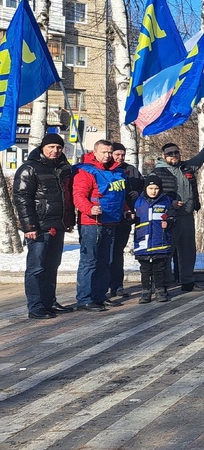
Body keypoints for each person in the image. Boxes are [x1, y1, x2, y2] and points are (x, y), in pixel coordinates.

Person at [14, 133, 76, 319]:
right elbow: (21, 198)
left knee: (52, 266)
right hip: (39, 226)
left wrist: (69, 220)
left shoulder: (64, 168)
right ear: (42, 148)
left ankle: (49, 302)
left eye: (58, 147)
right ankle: (36, 306)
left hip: (58, 224)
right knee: (36, 267)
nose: (55, 151)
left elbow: (67, 197)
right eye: (51, 147)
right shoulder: (29, 168)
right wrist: (29, 226)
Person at [152, 136, 204, 292]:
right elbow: (152, 196)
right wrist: (170, 204)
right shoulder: (157, 172)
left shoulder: (187, 167)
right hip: (169, 218)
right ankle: (164, 284)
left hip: (187, 216)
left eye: (176, 153)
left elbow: (202, 156)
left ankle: (187, 281)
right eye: (170, 153)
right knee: (167, 251)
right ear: (164, 156)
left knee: (188, 251)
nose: (174, 155)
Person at [72, 140, 126, 311]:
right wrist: (90, 208)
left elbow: (118, 194)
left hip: (111, 221)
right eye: (103, 152)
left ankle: (100, 295)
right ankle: (84, 298)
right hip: (92, 223)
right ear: (94, 152)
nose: (107, 155)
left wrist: (126, 209)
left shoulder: (117, 171)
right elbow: (79, 196)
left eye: (110, 152)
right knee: (90, 261)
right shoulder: (86, 171)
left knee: (105, 261)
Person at [107, 142, 142, 300]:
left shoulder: (131, 170)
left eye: (122, 155)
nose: (120, 158)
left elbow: (143, 184)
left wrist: (138, 192)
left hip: (125, 218)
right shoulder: (105, 170)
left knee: (117, 252)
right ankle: (105, 285)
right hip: (108, 216)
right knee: (107, 253)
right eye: (117, 155)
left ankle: (117, 285)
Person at [132, 175, 174, 303]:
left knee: (159, 268)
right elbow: (132, 217)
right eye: (150, 188)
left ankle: (160, 290)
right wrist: (130, 217)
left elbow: (172, 217)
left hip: (160, 241)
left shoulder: (166, 201)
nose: (153, 191)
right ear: (146, 188)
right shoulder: (138, 202)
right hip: (143, 242)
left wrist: (169, 222)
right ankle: (146, 291)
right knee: (145, 269)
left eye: (156, 188)